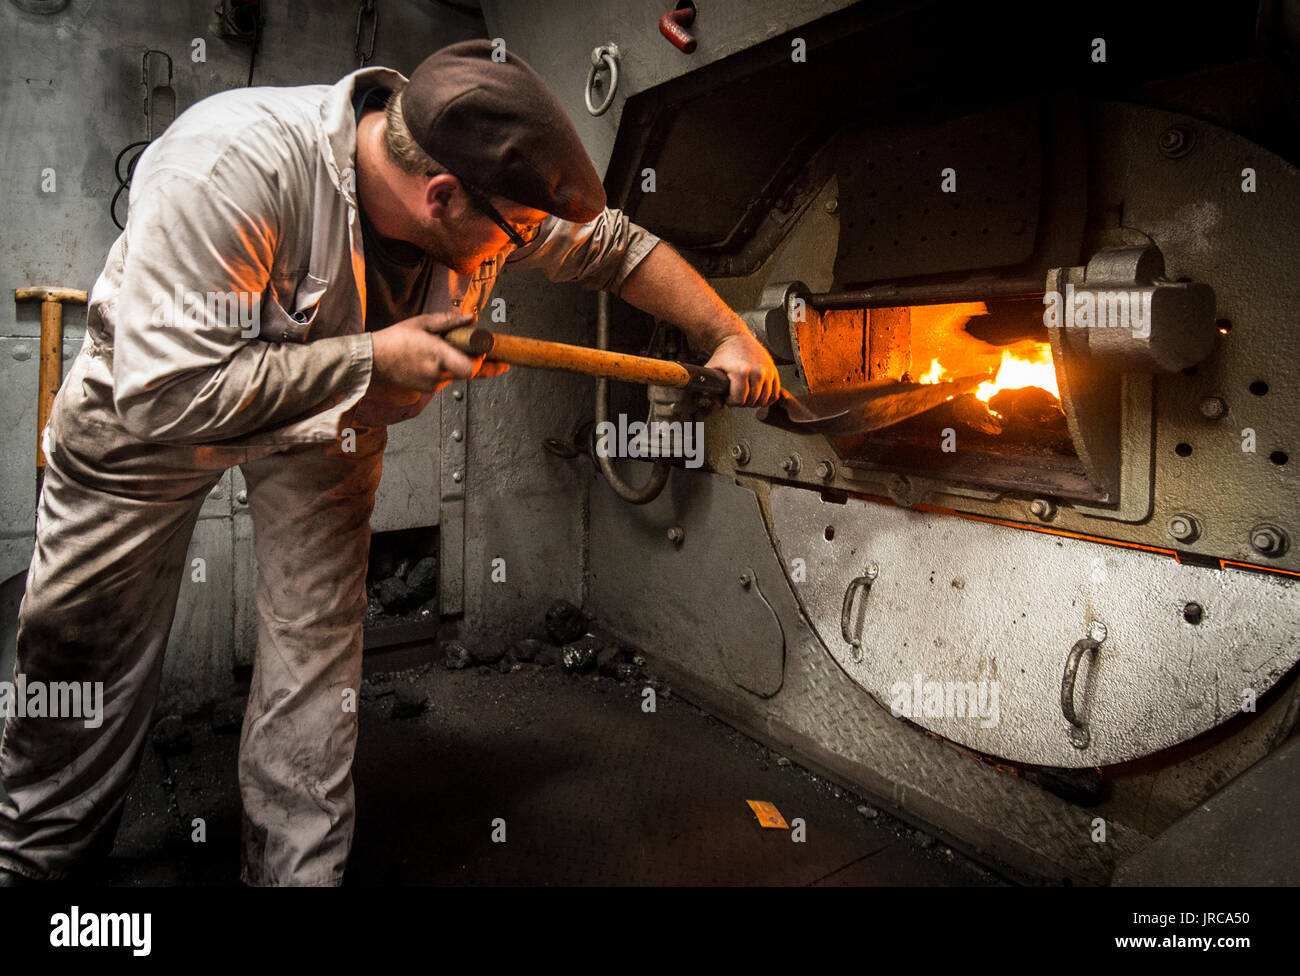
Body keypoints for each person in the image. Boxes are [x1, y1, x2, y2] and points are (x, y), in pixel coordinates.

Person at [0, 39, 778, 886]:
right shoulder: (227, 169)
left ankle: (297, 875)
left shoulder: (478, 172)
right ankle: (39, 864)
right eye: (508, 240)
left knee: (315, 653)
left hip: (329, 420)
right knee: (81, 655)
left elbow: (613, 247)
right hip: (149, 418)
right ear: (440, 195)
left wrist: (725, 334)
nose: (514, 251)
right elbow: (167, 396)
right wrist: (371, 358)